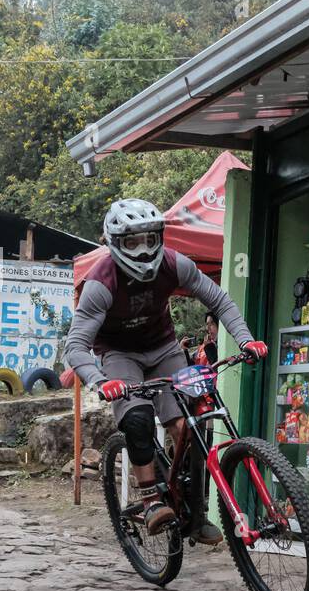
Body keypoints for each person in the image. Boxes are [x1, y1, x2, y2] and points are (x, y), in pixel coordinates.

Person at [64, 199, 267, 539]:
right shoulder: (101, 282)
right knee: (139, 419)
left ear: (160, 237)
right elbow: (75, 346)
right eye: (131, 242)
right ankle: (150, 501)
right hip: (119, 354)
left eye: (149, 239)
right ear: (114, 244)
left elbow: (219, 300)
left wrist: (246, 340)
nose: (143, 251)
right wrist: (100, 381)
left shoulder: (175, 264)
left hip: (164, 350)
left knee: (191, 424)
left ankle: (197, 514)